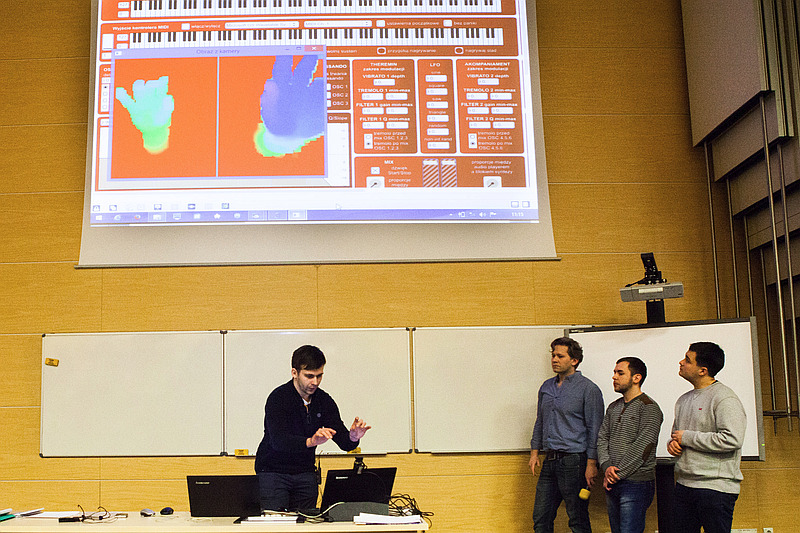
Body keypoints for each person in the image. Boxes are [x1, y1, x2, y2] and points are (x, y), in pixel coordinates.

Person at [254, 345, 371, 511]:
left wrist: (353, 437)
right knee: (276, 523)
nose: (315, 382)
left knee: (307, 521)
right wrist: (311, 441)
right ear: (294, 373)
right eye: (309, 376)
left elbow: (344, 442)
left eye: (319, 376)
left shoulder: (324, 400)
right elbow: (279, 441)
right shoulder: (278, 398)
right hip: (273, 472)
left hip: (305, 473)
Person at [667, 341, 746, 533]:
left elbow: (732, 439)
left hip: (716, 489)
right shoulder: (683, 399)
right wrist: (673, 444)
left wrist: (687, 438)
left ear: (703, 370)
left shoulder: (724, 398)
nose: (681, 362)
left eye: (687, 360)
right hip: (685, 485)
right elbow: (678, 435)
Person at [529, 337, 604, 533]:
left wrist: (591, 464)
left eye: (560, 356)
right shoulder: (546, 387)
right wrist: (534, 452)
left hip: (574, 461)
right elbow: (540, 421)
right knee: (541, 517)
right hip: (549, 460)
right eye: (553, 355)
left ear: (574, 360)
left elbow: (595, 428)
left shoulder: (589, 389)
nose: (554, 359)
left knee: (577, 518)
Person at [597, 357, 663, 533]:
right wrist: (606, 467)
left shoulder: (649, 407)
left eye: (620, 373)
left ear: (636, 378)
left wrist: (616, 474)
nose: (614, 377)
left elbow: (644, 447)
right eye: (614, 372)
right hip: (612, 481)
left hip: (636, 483)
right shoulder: (613, 407)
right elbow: (602, 438)